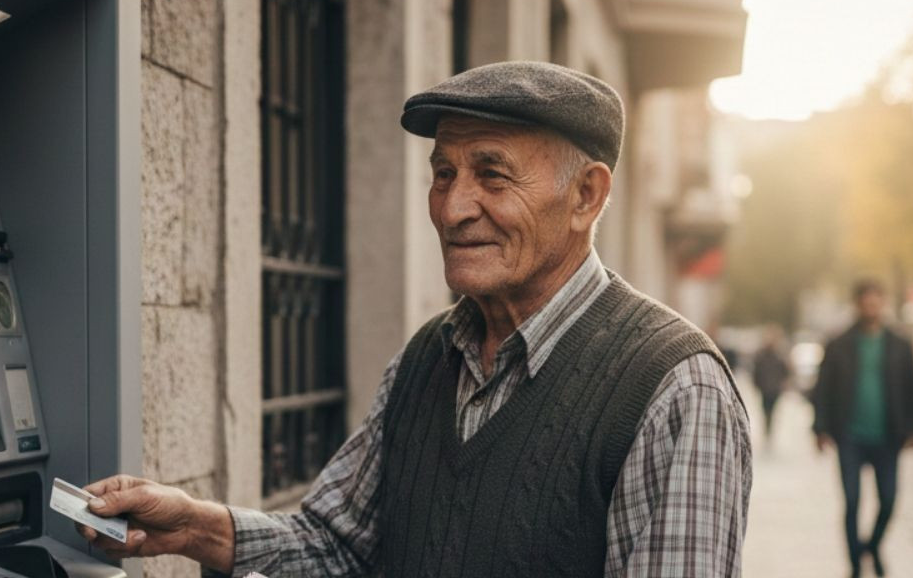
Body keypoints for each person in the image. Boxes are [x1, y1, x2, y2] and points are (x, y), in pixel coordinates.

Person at [74, 62, 752, 577]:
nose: (454, 208)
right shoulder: (432, 354)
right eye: (443, 173)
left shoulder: (673, 389)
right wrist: (194, 528)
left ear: (586, 195)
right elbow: (336, 544)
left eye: (492, 175)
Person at [812, 279, 913, 578]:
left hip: (888, 436)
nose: (871, 306)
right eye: (866, 301)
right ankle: (854, 564)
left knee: (888, 500)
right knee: (851, 501)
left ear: (883, 303)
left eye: (876, 301)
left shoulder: (900, 344)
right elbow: (822, 388)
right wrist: (819, 428)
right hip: (849, 434)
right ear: (858, 304)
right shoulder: (839, 343)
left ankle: (872, 545)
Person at [753, 325, 791, 440]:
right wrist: (757, 384)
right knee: (765, 409)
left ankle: (769, 428)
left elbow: (785, 371)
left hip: (774, 388)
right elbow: (756, 371)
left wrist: (782, 383)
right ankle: (767, 427)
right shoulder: (761, 355)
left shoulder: (779, 356)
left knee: (772, 410)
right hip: (765, 388)